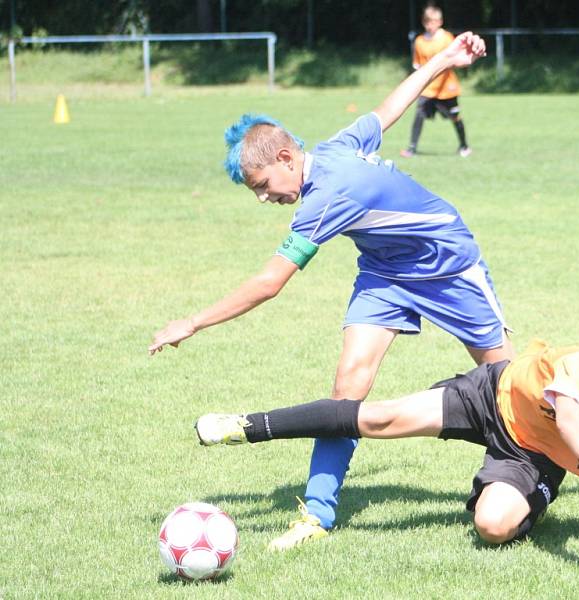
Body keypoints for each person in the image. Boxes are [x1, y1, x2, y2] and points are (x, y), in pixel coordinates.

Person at [149, 31, 514, 551]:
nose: (263, 198)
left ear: (282, 157)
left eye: (261, 186)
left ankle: (559, 459)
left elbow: (269, 283)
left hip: (447, 266)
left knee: (507, 384)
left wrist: (193, 321)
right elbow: (388, 109)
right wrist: (445, 60)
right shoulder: (336, 147)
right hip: (385, 273)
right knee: (348, 388)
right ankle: (318, 513)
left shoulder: (323, 197)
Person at [195, 339, 579, 560]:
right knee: (381, 417)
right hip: (491, 394)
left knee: (492, 527)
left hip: (530, 456)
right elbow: (571, 414)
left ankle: (533, 499)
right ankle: (248, 426)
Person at [400, 6, 472, 158]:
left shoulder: (447, 38)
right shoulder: (419, 41)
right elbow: (418, 65)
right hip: (428, 88)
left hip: (447, 88)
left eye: (432, 21)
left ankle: (464, 146)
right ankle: (412, 148)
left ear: (440, 22)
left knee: (455, 117)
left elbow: (454, 60)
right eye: (426, 22)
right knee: (419, 114)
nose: (429, 25)